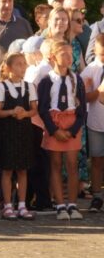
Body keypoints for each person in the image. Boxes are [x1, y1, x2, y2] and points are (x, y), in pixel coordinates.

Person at [37, 40, 86, 220]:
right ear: (53, 57)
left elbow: (82, 109)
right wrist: (54, 130)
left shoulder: (77, 80)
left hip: (72, 124)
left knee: (72, 164)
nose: (68, 57)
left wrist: (72, 130)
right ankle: (59, 205)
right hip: (54, 124)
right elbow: (43, 109)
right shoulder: (46, 81)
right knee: (55, 164)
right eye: (63, 54)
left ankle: (72, 204)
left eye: (70, 54)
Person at [0, 52, 37, 220]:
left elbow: (34, 109)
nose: (23, 67)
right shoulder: (1, 87)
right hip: (7, 132)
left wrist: (24, 114)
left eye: (24, 63)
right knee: (7, 169)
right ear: (9, 68)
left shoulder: (29, 86)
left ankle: (22, 205)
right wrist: (12, 111)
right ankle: (7, 205)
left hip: (24, 131)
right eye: (19, 64)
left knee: (22, 169)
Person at [83, 34, 104, 213]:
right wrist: (97, 91)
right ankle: (97, 196)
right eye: (102, 54)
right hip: (96, 121)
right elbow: (83, 97)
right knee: (96, 159)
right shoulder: (90, 69)